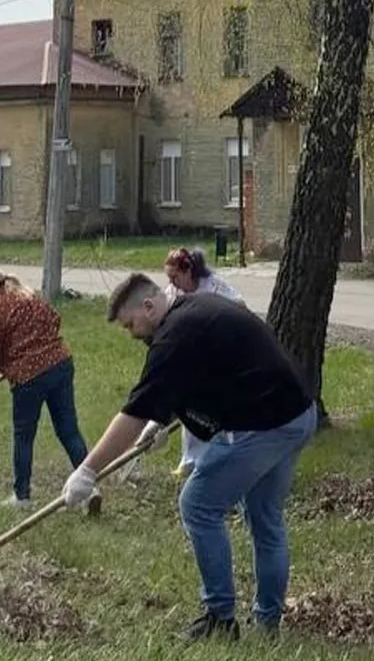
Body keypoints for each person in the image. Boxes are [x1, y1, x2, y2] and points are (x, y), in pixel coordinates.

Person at [59, 272, 316, 641]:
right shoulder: (196, 310)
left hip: (267, 424)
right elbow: (200, 376)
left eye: (131, 325)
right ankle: (267, 625)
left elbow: (132, 412)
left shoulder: (176, 334)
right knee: (264, 518)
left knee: (198, 504)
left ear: (149, 306)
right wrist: (161, 421)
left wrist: (87, 471)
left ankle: (220, 618)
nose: (133, 334)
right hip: (296, 413)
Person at [0, 264, 91, 509]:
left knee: (24, 436)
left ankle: (21, 497)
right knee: (68, 430)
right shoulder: (29, 296)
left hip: (29, 377)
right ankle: (89, 488)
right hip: (61, 364)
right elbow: (55, 319)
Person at [162, 246, 246, 478]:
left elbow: (240, 306)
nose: (171, 282)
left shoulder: (214, 287)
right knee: (190, 407)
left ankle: (228, 458)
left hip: (220, 357)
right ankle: (190, 461)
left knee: (221, 411)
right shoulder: (173, 293)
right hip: (193, 359)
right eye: (168, 277)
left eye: (174, 276)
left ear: (188, 270)